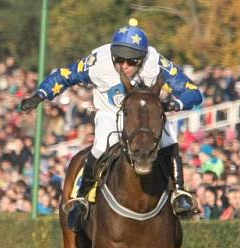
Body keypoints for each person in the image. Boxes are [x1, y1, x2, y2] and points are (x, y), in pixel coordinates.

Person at [18, 19, 203, 229]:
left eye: (131, 62)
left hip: (144, 115)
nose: (124, 66)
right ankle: (81, 198)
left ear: (142, 59)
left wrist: (173, 104)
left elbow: (193, 92)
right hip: (111, 112)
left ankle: (179, 192)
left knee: (168, 140)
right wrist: (40, 94)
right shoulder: (98, 61)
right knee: (100, 146)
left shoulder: (156, 63)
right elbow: (65, 75)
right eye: (119, 60)